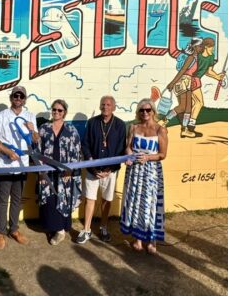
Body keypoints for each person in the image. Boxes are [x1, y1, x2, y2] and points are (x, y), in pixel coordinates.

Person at [0, 85, 39, 250]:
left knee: (17, 199)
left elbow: (36, 140)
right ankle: (0, 232)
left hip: (22, 165)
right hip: (4, 165)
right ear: (11, 98)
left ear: (25, 99)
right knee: (2, 200)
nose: (18, 98)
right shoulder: (1, 116)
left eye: (21, 96)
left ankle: (14, 230)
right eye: (15, 95)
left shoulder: (30, 116)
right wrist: (6, 151)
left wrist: (32, 131)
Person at [120, 98, 168, 254]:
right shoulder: (133, 127)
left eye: (148, 110)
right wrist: (129, 155)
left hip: (151, 172)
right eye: (142, 110)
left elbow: (162, 154)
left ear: (153, 111)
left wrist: (147, 157)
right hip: (134, 171)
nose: (145, 113)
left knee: (150, 204)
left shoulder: (161, 130)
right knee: (136, 203)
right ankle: (138, 239)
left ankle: (152, 240)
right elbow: (128, 147)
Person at [77, 95, 126, 244]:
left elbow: (121, 149)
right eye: (103, 104)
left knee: (106, 200)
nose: (105, 107)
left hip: (110, 171)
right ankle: (86, 229)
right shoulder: (92, 122)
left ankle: (103, 227)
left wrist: (110, 168)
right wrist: (91, 162)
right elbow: (85, 144)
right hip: (92, 170)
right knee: (90, 199)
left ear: (114, 107)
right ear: (100, 106)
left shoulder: (120, 125)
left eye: (109, 105)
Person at [38, 99, 82, 245]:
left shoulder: (71, 130)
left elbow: (77, 152)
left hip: (64, 174)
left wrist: (70, 171)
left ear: (64, 112)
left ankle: (60, 230)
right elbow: (38, 151)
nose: (56, 112)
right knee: (50, 200)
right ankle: (54, 228)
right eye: (54, 109)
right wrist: (40, 172)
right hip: (47, 172)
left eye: (60, 110)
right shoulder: (44, 128)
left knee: (62, 199)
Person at [163, 38, 203, 138]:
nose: (201, 48)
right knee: (182, 107)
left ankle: (184, 130)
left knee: (188, 108)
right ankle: (163, 122)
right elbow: (182, 71)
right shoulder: (190, 58)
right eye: (200, 46)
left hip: (187, 82)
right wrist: (172, 83)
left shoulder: (195, 57)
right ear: (195, 47)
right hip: (183, 81)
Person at [188, 37, 224, 137]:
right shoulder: (198, 56)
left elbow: (209, 71)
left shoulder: (211, 57)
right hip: (191, 79)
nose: (213, 49)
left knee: (195, 103)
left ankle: (189, 126)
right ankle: (190, 125)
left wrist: (217, 77)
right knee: (199, 102)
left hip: (196, 80)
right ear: (206, 47)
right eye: (211, 47)